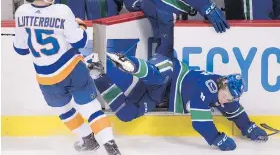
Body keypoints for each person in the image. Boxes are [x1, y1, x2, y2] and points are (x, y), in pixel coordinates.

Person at [13, 0, 121, 154]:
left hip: (46, 77)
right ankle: (110, 145)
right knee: (91, 108)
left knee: (64, 110)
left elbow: (21, 49)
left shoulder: (21, 12)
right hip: (72, 68)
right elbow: (79, 40)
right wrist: (82, 26)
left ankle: (87, 139)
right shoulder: (62, 10)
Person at [86, 52, 268, 151]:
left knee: (126, 114)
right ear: (222, 84)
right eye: (226, 94)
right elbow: (200, 123)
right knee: (156, 77)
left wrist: (250, 128)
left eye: (230, 98)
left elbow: (236, 112)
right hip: (169, 70)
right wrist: (217, 139)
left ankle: (98, 74)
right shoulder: (206, 89)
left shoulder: (226, 92)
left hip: (159, 95)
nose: (226, 99)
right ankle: (131, 64)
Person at [141, 0, 230, 58]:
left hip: (150, 0)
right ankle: (160, 72)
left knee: (161, 44)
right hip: (164, 9)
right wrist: (209, 8)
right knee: (166, 52)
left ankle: (156, 67)